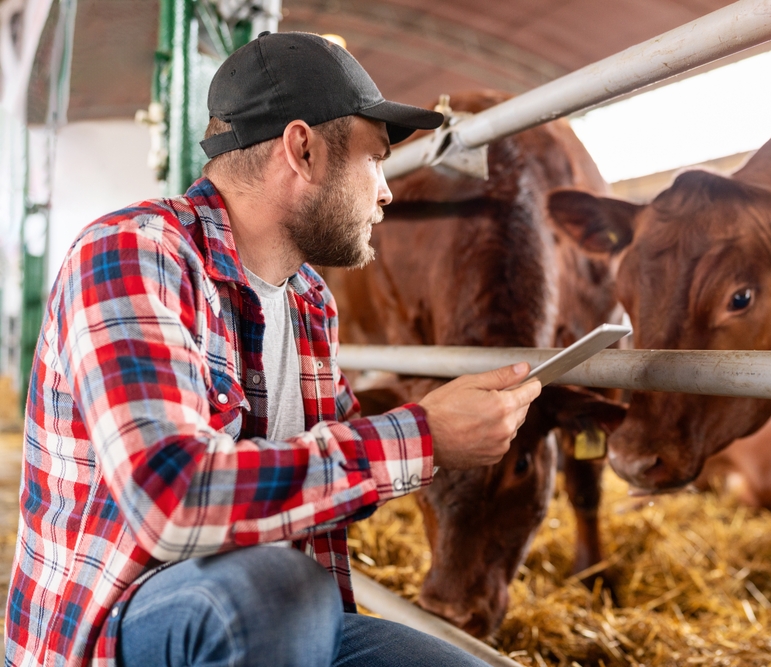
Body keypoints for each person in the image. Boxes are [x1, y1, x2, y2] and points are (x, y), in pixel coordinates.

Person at [5, 31, 541, 667]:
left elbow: (330, 452)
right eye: (375, 161)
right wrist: (423, 437)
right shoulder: (133, 252)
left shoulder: (308, 299)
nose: (388, 191)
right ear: (304, 150)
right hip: (124, 625)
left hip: (287, 626)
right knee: (279, 589)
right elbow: (170, 498)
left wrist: (454, 419)